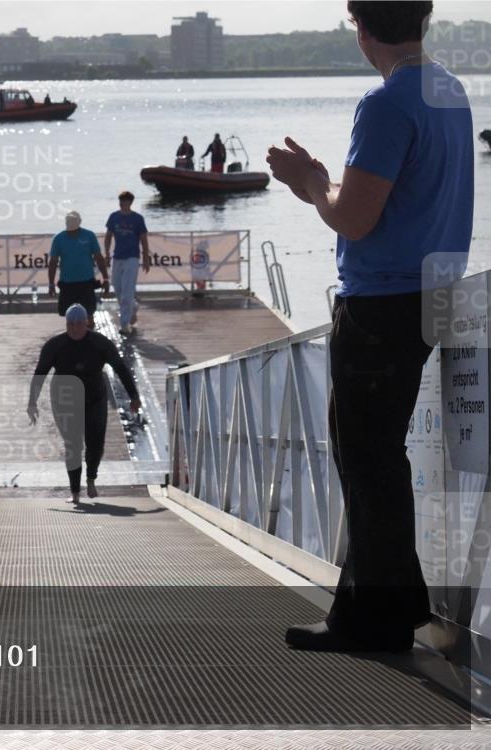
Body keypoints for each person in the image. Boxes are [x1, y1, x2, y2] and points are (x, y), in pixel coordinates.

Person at [266, 0, 473, 652]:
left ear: (361, 27)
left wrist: (310, 182)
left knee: (366, 459)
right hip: (433, 295)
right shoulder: (449, 90)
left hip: (381, 303)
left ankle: (373, 621)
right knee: (379, 457)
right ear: (422, 18)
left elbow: (353, 218)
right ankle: (392, 606)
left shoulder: (385, 104)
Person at [27, 304, 141, 504]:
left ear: (86, 323)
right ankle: (74, 492)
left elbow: (121, 368)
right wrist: (32, 402)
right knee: (72, 444)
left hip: (94, 397)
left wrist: (134, 396)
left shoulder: (100, 343)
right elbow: (40, 373)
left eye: (79, 323)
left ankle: (91, 479)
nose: (74, 328)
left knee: (95, 443)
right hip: (64, 399)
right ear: (66, 324)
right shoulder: (54, 345)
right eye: (70, 324)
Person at [48, 211, 109, 329]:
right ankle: (73, 336)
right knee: (70, 317)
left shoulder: (89, 236)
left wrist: (105, 278)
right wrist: (51, 284)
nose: (72, 231)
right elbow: (53, 263)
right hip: (67, 284)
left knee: (89, 315)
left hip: (86, 282)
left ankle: (90, 335)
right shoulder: (58, 239)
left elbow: (99, 258)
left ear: (79, 223)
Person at [104, 191, 151, 336]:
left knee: (127, 292)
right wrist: (107, 254)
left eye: (125, 201)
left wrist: (146, 257)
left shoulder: (138, 219)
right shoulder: (114, 217)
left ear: (130, 203)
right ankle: (133, 307)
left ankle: (124, 324)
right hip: (117, 257)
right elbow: (108, 236)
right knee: (117, 288)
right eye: (121, 201)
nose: (122, 204)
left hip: (132, 258)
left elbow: (143, 238)